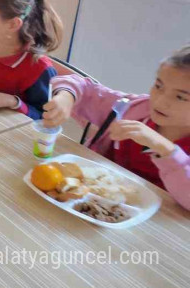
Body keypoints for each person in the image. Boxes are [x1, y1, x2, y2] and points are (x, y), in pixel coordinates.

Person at [43, 45, 190, 209]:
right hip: (91, 204)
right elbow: (84, 87)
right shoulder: (133, 108)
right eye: (158, 86)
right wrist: (66, 96)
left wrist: (166, 149)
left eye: (180, 97)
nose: (161, 101)